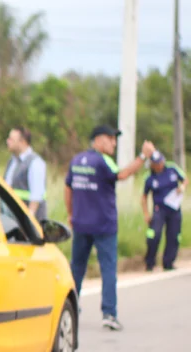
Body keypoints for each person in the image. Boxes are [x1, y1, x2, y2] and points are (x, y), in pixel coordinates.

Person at [65, 125, 156, 331]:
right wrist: (143, 156)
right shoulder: (102, 160)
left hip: (81, 224)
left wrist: (71, 213)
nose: (114, 143)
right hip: (103, 226)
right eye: (110, 138)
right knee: (107, 269)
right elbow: (122, 175)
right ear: (98, 140)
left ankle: (70, 307)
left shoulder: (77, 160)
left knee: (77, 268)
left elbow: (67, 187)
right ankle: (109, 313)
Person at [142, 151, 186, 271]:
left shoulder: (172, 169)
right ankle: (150, 262)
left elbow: (185, 179)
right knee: (154, 235)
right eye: (157, 163)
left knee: (174, 236)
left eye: (161, 162)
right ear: (152, 164)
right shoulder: (149, 178)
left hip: (174, 208)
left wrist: (182, 187)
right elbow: (144, 197)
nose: (160, 165)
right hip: (159, 209)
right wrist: (146, 214)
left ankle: (168, 263)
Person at [4, 126, 48, 221]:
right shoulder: (12, 161)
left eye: (11, 139)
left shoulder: (35, 162)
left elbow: (36, 196)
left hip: (26, 223)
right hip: (11, 221)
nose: (7, 141)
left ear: (23, 142)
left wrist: (29, 222)